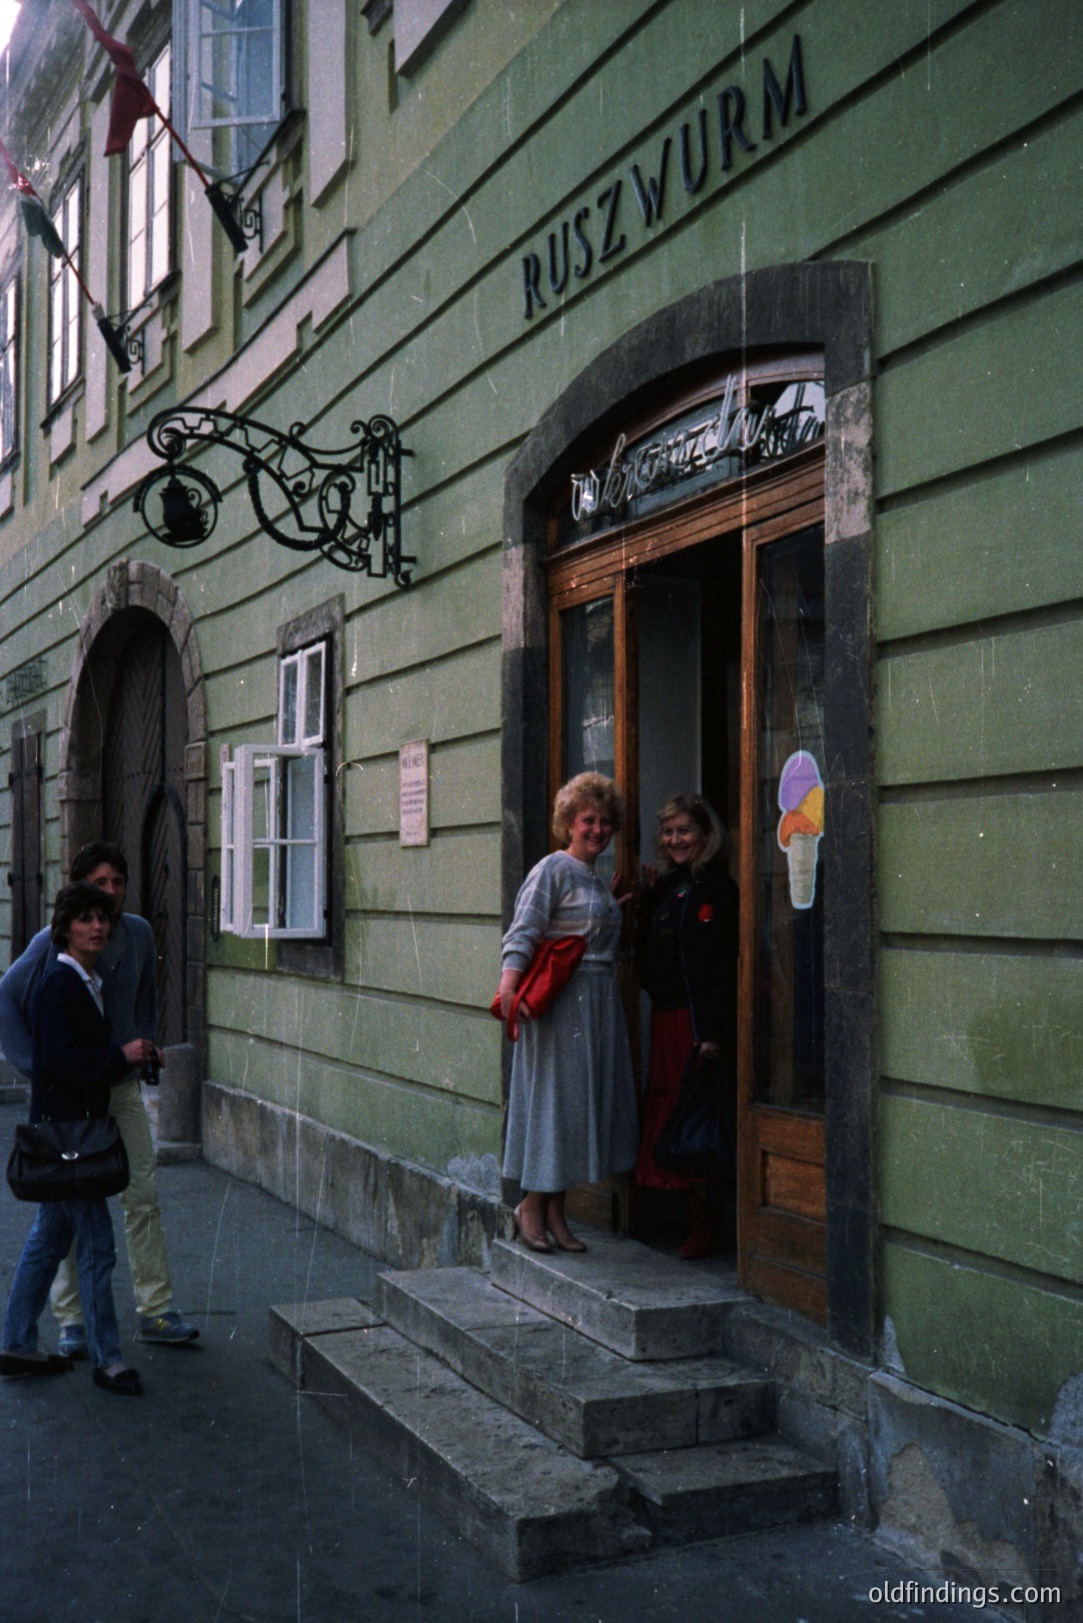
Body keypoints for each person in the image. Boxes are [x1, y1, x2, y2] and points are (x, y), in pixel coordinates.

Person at [0, 841, 199, 1353]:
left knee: (142, 1197)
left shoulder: (135, 933)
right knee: (65, 1211)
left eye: (118, 883)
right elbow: (8, 993)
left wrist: (144, 1043)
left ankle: (155, 1310)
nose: (110, 895)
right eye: (99, 884)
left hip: (120, 1089)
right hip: (70, 1102)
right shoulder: (54, 940)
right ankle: (72, 1324)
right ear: (78, 888)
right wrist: (33, 1066)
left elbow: (146, 993)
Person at [1, 882, 159, 1393]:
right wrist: (121, 1058)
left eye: (104, 919)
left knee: (49, 1242)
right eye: (86, 919)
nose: (98, 927)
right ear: (64, 928)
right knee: (98, 1245)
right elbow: (59, 1063)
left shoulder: (82, 980)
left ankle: (16, 1341)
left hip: (69, 1133)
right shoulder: (59, 984)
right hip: (71, 1138)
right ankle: (107, 1359)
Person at [498, 771, 639, 1253]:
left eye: (605, 822)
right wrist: (509, 990)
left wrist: (612, 907)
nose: (597, 830)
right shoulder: (552, 869)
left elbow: (586, 930)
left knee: (578, 1109)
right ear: (568, 823)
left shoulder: (596, 880)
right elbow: (523, 931)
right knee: (556, 1107)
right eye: (587, 820)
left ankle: (557, 1212)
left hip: (597, 1004)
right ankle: (530, 1207)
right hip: (562, 1006)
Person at [634, 794, 739, 1259]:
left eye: (685, 831)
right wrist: (645, 897)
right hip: (666, 1019)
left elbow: (717, 965)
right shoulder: (672, 887)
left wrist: (711, 1031)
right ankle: (673, 1218)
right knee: (673, 1115)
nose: (676, 840)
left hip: (694, 1023)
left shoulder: (716, 887)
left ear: (706, 836)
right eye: (669, 832)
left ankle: (702, 1227)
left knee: (694, 1117)